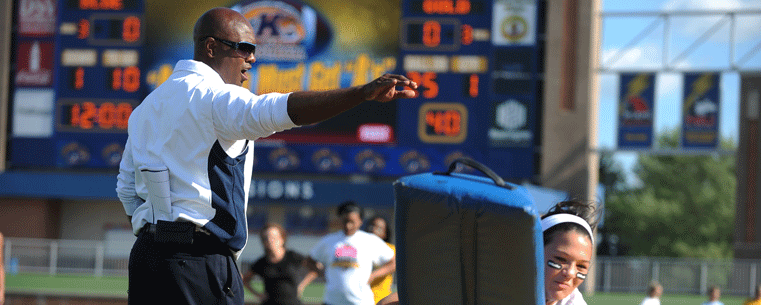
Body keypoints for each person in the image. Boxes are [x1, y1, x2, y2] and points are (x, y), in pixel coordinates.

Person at [116, 7, 417, 304]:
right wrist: (361, 94)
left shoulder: (146, 108)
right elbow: (285, 109)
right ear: (210, 47)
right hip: (199, 262)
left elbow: (127, 190)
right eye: (244, 48)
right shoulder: (218, 98)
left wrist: (160, 234)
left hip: (146, 259)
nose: (252, 59)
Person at [305, 201, 395, 305]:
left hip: (360, 301)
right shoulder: (329, 240)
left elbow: (393, 262)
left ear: (360, 221)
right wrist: (323, 273)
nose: (348, 225)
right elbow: (309, 260)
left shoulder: (369, 240)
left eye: (352, 222)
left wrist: (374, 275)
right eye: (345, 221)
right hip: (332, 301)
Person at [541, 200, 599, 305]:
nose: (570, 273)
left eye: (581, 266)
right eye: (560, 259)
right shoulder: (504, 290)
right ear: (536, 251)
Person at [242, 223, 317, 305]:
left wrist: (301, 286)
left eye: (273, 238)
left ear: (282, 239)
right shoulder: (261, 262)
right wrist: (258, 295)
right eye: (266, 238)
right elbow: (245, 280)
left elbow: (314, 270)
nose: (270, 241)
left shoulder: (293, 257)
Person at [365, 216, 396, 304]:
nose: (374, 229)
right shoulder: (360, 246)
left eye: (379, 228)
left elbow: (394, 264)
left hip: (380, 299)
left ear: (385, 233)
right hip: (359, 298)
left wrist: (372, 275)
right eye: (372, 226)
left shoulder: (390, 249)